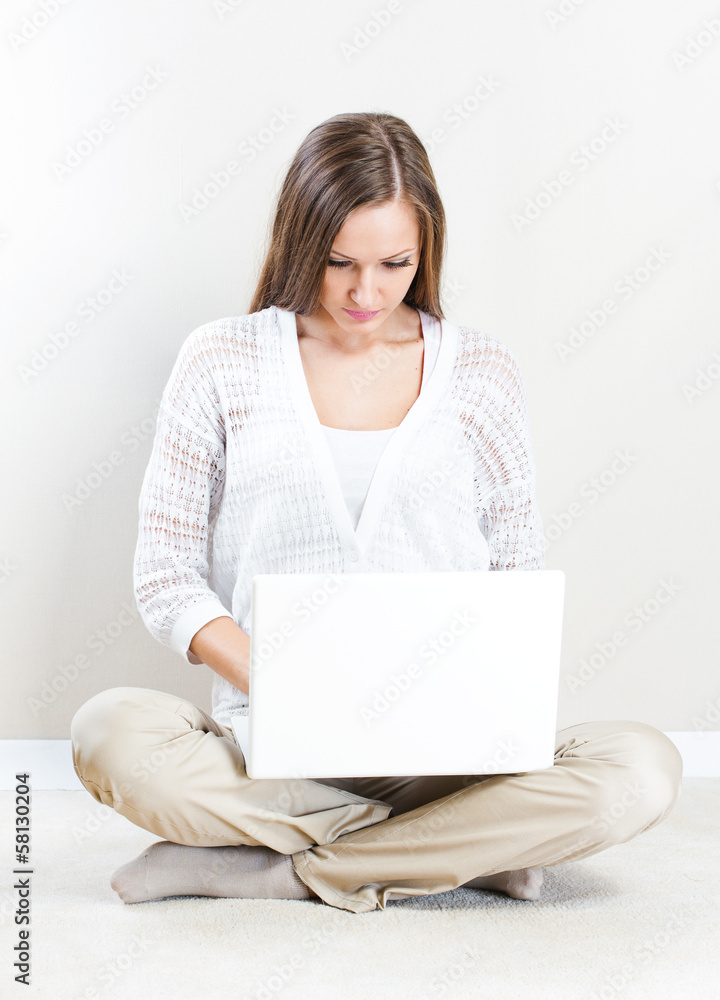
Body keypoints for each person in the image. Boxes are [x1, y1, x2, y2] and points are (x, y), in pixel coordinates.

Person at [70, 111, 683, 915]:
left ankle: (279, 868)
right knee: (107, 732)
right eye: (338, 263)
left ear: (426, 250)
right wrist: (288, 683)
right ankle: (467, 847)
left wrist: (471, 697)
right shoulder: (221, 360)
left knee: (641, 769)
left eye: (395, 263)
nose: (366, 293)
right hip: (273, 743)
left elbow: (515, 572)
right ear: (301, 243)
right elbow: (164, 576)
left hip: (449, 747)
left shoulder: (483, 371)